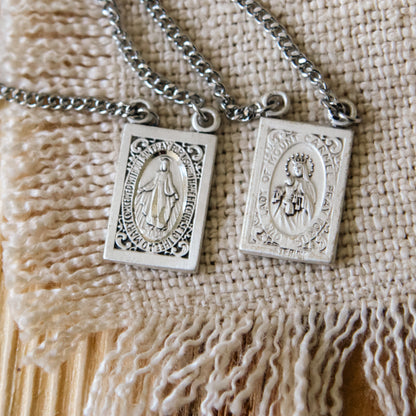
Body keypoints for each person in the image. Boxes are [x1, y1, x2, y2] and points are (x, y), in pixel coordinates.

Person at [272, 153, 316, 234]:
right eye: (295, 168)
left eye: (299, 168)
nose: (297, 170)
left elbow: (310, 199)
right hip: (286, 208)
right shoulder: (291, 181)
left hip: (300, 210)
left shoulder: (306, 184)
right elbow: (283, 191)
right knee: (280, 217)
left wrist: (301, 198)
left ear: (304, 169)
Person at [134, 157, 179, 231]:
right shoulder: (158, 173)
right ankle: (151, 224)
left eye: (166, 164)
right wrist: (143, 188)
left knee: (161, 209)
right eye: (163, 164)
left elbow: (170, 185)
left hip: (163, 194)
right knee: (153, 208)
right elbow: (153, 183)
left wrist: (175, 193)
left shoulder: (168, 174)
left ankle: (160, 226)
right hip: (156, 192)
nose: (164, 166)